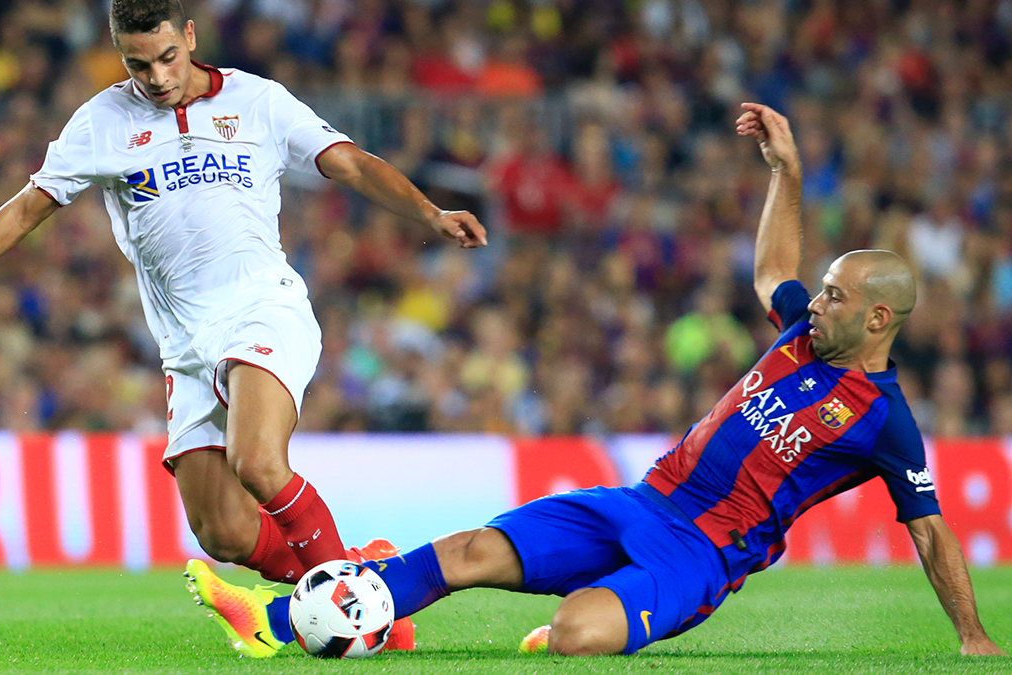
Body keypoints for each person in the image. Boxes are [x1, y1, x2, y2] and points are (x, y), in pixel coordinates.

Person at [184, 103, 1006, 658]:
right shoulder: (800, 333)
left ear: (878, 321)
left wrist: (972, 636)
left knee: (574, 635)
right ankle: (276, 624)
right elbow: (772, 271)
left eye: (835, 295)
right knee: (467, 548)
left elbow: (930, 530)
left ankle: (591, 613)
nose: (814, 301)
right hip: (642, 500)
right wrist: (783, 173)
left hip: (702, 554)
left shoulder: (882, 418)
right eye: (822, 290)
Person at [0, 0, 487, 651]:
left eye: (166, 57)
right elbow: (24, 210)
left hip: (263, 312)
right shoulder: (102, 121)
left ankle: (361, 614)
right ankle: (371, 580)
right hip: (187, 348)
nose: (154, 76)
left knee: (259, 461)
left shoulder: (258, 101)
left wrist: (429, 213)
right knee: (224, 531)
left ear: (190, 35)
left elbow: (348, 162)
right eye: (137, 63)